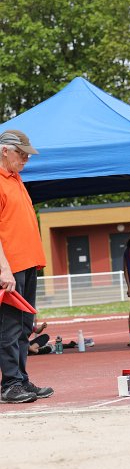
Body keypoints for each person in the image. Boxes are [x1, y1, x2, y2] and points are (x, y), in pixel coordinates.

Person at [0, 129, 54, 402]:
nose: (26, 160)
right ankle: (9, 384)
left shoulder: (15, 178)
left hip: (27, 264)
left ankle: (20, 379)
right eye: (22, 155)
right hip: (10, 267)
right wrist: (4, 268)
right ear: (5, 151)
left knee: (23, 327)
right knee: (10, 328)